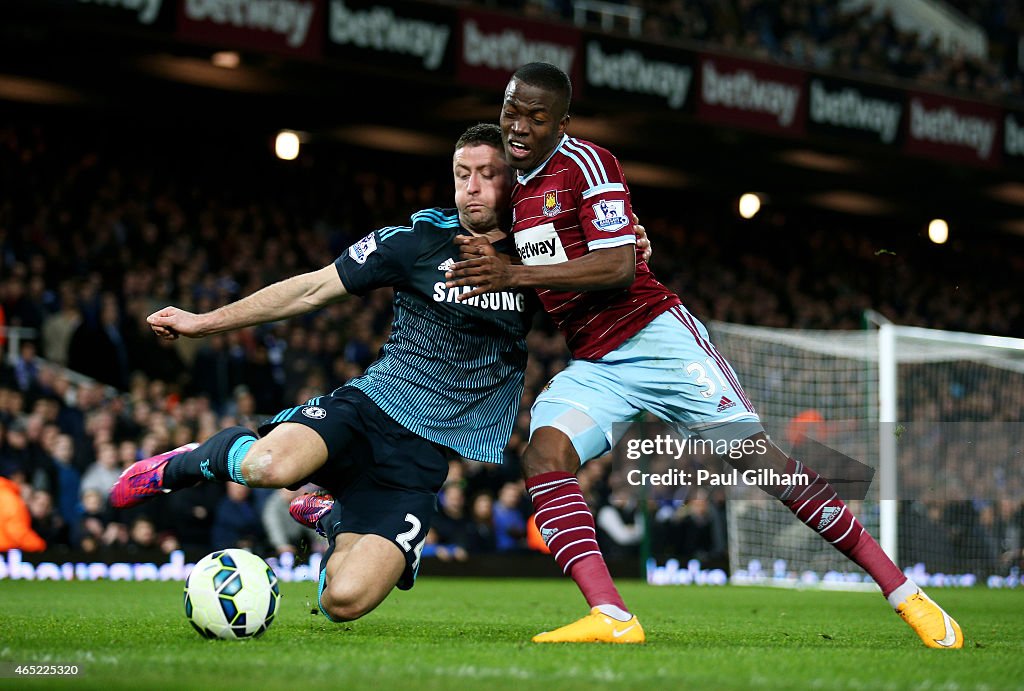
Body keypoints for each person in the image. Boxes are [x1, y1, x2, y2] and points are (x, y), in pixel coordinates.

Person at [445, 61, 963, 648]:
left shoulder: (590, 165)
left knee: (766, 468)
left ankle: (905, 594)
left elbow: (618, 266)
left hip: (656, 340)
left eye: (535, 117)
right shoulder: (515, 188)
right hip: (596, 364)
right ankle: (612, 617)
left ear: (563, 122)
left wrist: (515, 269)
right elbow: (516, 235)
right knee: (545, 454)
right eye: (510, 110)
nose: (518, 126)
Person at [110, 123, 534, 624]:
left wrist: (631, 252)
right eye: (462, 174)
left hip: (418, 464)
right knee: (269, 468)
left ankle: (330, 516)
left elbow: (601, 288)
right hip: (367, 411)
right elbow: (311, 288)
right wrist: (203, 323)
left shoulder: (538, 257)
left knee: (341, 602)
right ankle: (189, 462)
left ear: (515, 180)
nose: (472, 187)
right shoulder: (417, 240)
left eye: (488, 174)